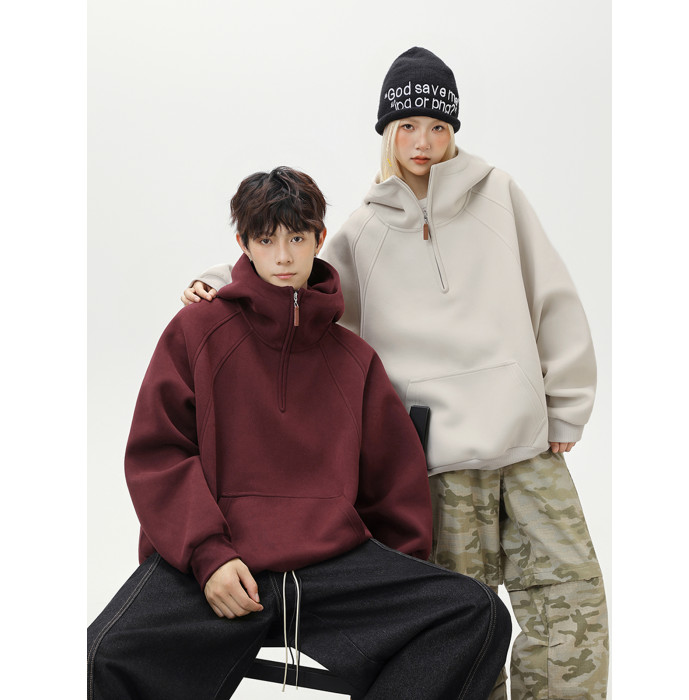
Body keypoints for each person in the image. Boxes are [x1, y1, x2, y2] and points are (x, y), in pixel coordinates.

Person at [182, 49, 609, 700]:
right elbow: (304, 280)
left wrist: (566, 403)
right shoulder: (365, 229)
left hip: (526, 444)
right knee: (463, 620)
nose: (423, 142)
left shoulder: (499, 194)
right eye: (407, 126)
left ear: (453, 130)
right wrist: (218, 281)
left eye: (437, 127)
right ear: (387, 132)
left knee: (571, 600)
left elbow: (551, 292)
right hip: (438, 462)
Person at [87, 166, 511, 700]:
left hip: (331, 571)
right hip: (216, 562)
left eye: (296, 238)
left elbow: (392, 485)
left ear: (318, 238)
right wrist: (208, 556)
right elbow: (160, 453)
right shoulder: (197, 331)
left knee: (477, 613)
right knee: (101, 654)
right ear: (244, 244)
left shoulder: (355, 360)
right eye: (267, 240)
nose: (283, 256)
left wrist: (388, 590)